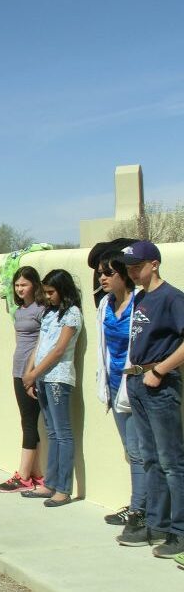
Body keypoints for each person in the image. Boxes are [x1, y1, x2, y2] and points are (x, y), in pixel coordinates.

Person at [110, 240, 184, 560]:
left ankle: (179, 532)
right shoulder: (141, 297)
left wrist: (161, 371)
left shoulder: (172, 298)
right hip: (138, 381)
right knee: (150, 459)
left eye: (136, 265)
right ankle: (156, 524)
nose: (131, 271)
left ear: (154, 264)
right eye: (129, 266)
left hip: (160, 383)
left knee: (171, 462)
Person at [92, 250, 145, 533]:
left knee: (140, 452)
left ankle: (140, 509)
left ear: (124, 275)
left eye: (108, 273)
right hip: (114, 386)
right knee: (131, 450)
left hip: (135, 386)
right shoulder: (105, 305)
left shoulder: (141, 303)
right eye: (100, 273)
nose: (102, 278)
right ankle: (139, 505)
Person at [20, 269, 82, 507]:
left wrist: (35, 373)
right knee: (52, 433)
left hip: (58, 378)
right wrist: (30, 374)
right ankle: (50, 483)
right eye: (45, 292)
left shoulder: (72, 314)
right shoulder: (49, 313)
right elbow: (40, 344)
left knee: (63, 433)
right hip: (43, 379)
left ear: (63, 290)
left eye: (51, 292)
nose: (47, 296)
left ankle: (63, 489)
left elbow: (58, 350)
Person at [0, 266, 46, 493]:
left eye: (24, 284)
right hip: (17, 371)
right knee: (27, 420)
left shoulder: (41, 309)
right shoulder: (19, 311)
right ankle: (36, 474)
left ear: (34, 285)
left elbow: (44, 341)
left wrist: (32, 373)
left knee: (29, 422)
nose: (19, 289)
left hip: (32, 373)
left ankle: (24, 476)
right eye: (17, 285)